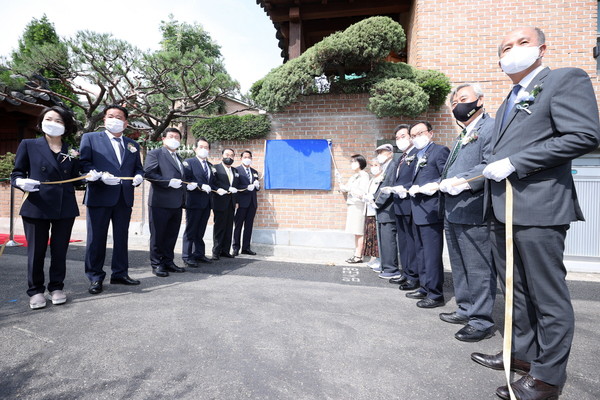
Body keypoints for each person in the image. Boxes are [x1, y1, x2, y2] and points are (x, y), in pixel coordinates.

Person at [471, 27, 600, 400]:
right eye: (505, 47)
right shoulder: (509, 98)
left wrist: (517, 161)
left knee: (547, 296)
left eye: (522, 43)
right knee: (515, 290)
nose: (512, 51)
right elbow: (495, 158)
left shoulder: (563, 79)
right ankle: (522, 356)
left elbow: (583, 135)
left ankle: (547, 378)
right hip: (502, 206)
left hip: (539, 206)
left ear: (542, 48)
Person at [438, 83, 496, 342]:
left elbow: (489, 164)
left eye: (463, 99)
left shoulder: (489, 128)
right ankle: (465, 308)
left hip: (474, 208)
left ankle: (481, 320)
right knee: (459, 266)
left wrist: (461, 180)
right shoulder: (463, 133)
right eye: (453, 102)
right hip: (453, 210)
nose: (457, 105)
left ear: (480, 100)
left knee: (478, 267)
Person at [11, 106, 80, 309]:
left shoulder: (71, 150)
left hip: (64, 205)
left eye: (59, 120)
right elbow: (16, 174)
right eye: (49, 119)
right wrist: (21, 182)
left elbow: (77, 177)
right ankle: (36, 290)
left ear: (66, 125)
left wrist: (90, 176)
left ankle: (56, 286)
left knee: (60, 250)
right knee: (36, 251)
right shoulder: (29, 144)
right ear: (41, 122)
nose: (53, 123)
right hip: (37, 205)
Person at [79, 104, 144, 295]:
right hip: (99, 195)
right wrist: (98, 175)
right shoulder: (90, 138)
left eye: (118, 117)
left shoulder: (133, 145)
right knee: (96, 239)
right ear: (104, 119)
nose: (114, 119)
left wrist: (139, 177)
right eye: (110, 116)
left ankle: (120, 273)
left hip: (124, 197)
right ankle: (95, 277)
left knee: (121, 238)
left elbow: (137, 168)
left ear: (125, 122)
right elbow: (83, 164)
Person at [406, 121, 449, 308]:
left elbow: (445, 176)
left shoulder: (439, 151)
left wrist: (434, 186)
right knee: (421, 252)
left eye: (419, 133)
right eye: (413, 135)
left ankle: (435, 293)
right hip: (417, 210)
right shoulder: (416, 155)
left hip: (431, 210)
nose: (416, 138)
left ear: (430, 133)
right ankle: (425, 286)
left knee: (431, 254)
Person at [144, 128, 187, 277]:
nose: (174, 139)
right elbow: (148, 173)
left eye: (177, 137)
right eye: (171, 136)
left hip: (176, 203)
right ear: (163, 139)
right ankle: (157, 264)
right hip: (160, 202)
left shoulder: (179, 158)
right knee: (158, 235)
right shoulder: (155, 154)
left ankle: (168, 261)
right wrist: (168, 182)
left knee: (171, 235)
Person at [381, 124, 418, 287]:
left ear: (411, 136)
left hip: (412, 205)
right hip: (400, 206)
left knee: (412, 244)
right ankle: (407, 272)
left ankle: (414, 276)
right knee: (403, 243)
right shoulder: (401, 158)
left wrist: (406, 189)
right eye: (397, 138)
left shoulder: (417, 154)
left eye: (403, 136)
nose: (400, 140)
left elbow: (420, 178)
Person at [369, 144, 402, 280]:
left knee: (388, 240)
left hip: (388, 209)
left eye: (382, 152)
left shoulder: (392, 166)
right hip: (383, 210)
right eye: (378, 152)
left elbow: (387, 186)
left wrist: (376, 202)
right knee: (384, 240)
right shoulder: (386, 166)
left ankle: (391, 268)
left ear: (390, 153)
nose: (379, 155)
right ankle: (385, 265)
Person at [182, 137, 216, 267]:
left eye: (206, 147)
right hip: (194, 201)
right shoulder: (189, 162)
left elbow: (212, 184)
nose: (204, 149)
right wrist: (198, 185)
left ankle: (199, 253)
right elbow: (185, 179)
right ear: (195, 149)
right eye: (201, 147)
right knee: (191, 230)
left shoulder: (210, 166)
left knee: (201, 229)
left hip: (206, 203)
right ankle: (187, 255)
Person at [337, 154, 369, 263]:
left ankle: (358, 256)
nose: (352, 164)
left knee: (359, 231)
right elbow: (345, 188)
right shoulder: (354, 176)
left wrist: (351, 190)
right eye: (351, 162)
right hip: (352, 205)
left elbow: (362, 191)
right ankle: (357, 253)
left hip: (358, 206)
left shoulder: (364, 175)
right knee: (356, 231)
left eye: (354, 162)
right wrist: (340, 180)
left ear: (360, 163)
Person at [211, 148, 241, 260]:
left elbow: (236, 187)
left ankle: (225, 250)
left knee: (229, 227)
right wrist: (227, 188)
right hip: (220, 201)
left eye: (232, 155)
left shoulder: (235, 171)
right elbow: (215, 182)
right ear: (222, 156)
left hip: (231, 203)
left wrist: (236, 201)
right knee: (219, 227)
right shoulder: (215, 168)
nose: (229, 157)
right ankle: (216, 251)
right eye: (227, 154)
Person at [232, 150, 261, 256]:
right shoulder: (236, 170)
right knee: (238, 226)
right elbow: (235, 187)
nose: (247, 158)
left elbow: (256, 188)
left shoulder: (254, 171)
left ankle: (246, 247)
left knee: (249, 226)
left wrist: (257, 186)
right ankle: (235, 247)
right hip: (241, 203)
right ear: (241, 158)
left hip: (252, 203)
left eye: (249, 157)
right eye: (245, 157)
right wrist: (245, 188)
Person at [362, 158, 383, 270]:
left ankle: (380, 260)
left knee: (376, 237)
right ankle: (375, 258)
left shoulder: (381, 179)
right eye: (372, 165)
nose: (373, 167)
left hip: (376, 211)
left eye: (376, 165)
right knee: (370, 235)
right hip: (369, 210)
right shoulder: (371, 179)